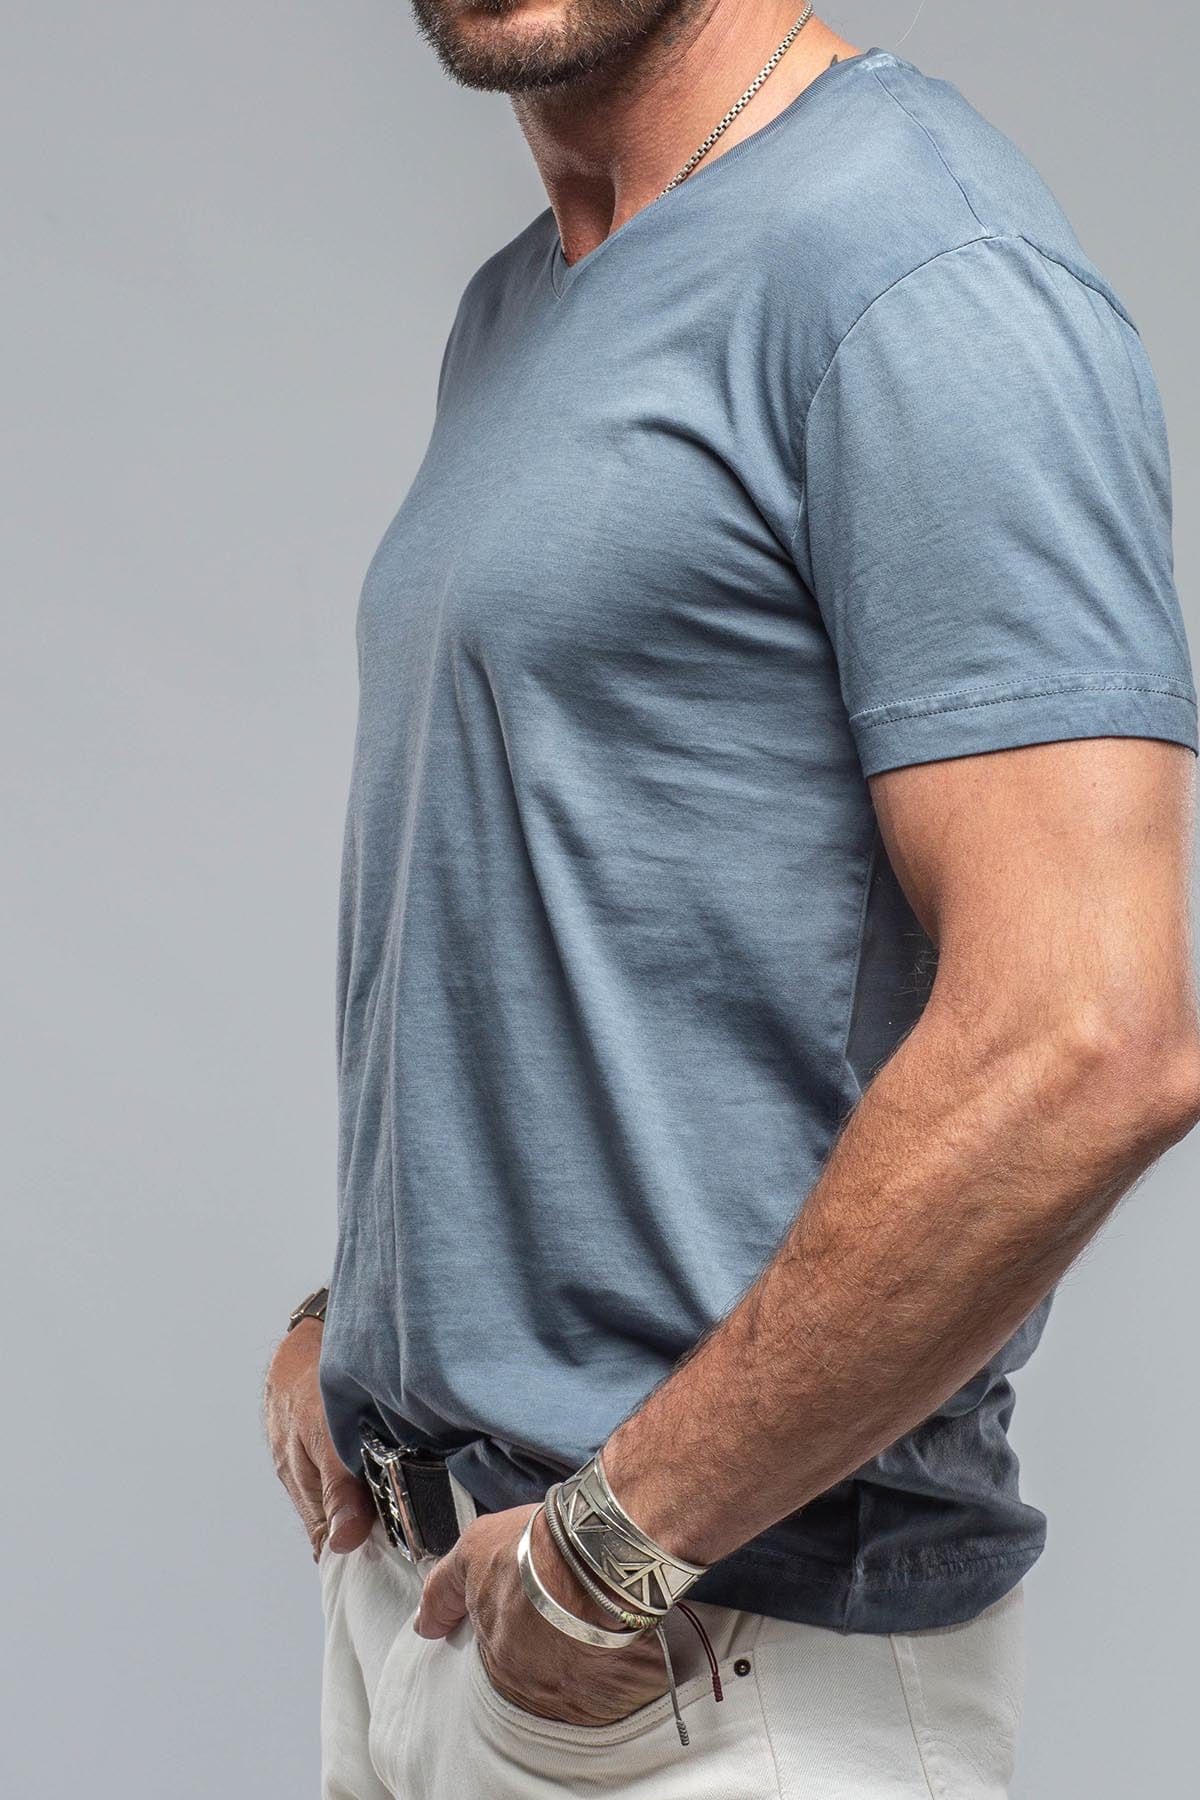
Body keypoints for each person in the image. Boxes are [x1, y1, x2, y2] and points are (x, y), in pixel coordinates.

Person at [264, 5, 1200, 1794]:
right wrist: (373, 1328)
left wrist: (621, 1541)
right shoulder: (525, 300)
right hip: (437, 1627)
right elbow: (601, 920)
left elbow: (1087, 1037)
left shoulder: (916, 263)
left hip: (703, 1669)